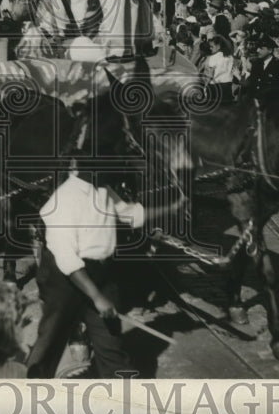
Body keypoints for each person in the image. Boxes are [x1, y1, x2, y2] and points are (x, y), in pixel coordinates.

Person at [26, 149, 183, 379]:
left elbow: (131, 215)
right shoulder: (64, 200)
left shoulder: (104, 188)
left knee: (111, 343)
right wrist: (97, 298)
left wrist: (172, 208)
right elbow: (67, 260)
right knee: (50, 343)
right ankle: (33, 391)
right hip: (64, 280)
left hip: (100, 273)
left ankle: (119, 392)